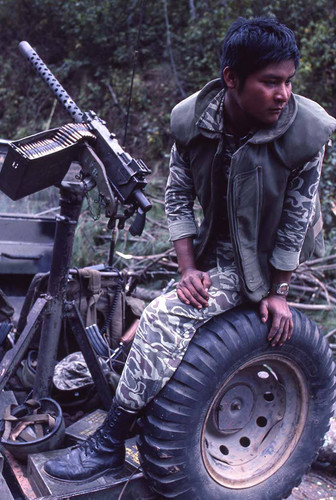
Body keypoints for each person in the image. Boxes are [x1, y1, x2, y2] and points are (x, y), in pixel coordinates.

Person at [44, 17, 336, 482]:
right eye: (270, 82)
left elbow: (296, 222)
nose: (283, 95)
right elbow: (177, 196)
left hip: (262, 262)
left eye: (288, 82)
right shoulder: (193, 121)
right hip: (216, 247)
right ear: (231, 80)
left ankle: (109, 443)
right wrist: (186, 269)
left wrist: (278, 290)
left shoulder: (306, 132)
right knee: (137, 332)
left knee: (162, 317)